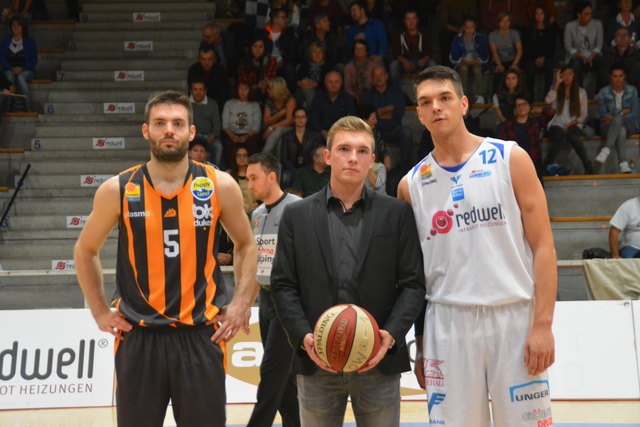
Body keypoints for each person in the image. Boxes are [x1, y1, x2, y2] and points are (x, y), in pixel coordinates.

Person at [73, 91, 258, 427]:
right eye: (160, 123)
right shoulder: (118, 189)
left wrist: (242, 302)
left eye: (177, 123)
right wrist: (99, 311)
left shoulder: (220, 185)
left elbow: (246, 244)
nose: (169, 130)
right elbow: (84, 250)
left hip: (200, 336)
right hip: (139, 337)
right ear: (146, 131)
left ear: (191, 131)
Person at [398, 65, 556, 427]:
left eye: (445, 98)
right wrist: (420, 341)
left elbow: (544, 246)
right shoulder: (410, 185)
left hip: (514, 317)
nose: (436, 107)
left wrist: (543, 325)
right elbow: (413, 274)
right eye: (426, 102)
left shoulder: (510, 158)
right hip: (446, 323)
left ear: (464, 104)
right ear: (419, 114)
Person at [271, 116, 425, 426]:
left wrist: (390, 335)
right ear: (328, 156)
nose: (353, 158)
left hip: (379, 361)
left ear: (372, 160)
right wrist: (304, 337)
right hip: (316, 362)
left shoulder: (397, 213)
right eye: (344, 149)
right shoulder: (296, 215)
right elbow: (283, 285)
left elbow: (413, 284)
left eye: (362, 151)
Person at [245, 152, 301, 427]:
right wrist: (246, 304)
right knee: (284, 378)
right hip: (265, 301)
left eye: (254, 178)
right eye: (247, 179)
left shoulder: (298, 208)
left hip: (288, 301)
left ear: (271, 177)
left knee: (270, 372)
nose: (249, 185)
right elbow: (257, 262)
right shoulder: (256, 214)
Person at [361, 65, 413, 173]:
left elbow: (398, 113)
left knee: (406, 132)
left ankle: (403, 169)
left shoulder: (396, 92)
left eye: (381, 75)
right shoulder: (367, 95)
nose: (378, 78)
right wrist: (387, 109)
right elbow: (367, 116)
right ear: (372, 78)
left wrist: (378, 113)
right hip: (375, 131)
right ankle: (373, 171)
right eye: (375, 76)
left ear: (386, 76)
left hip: (393, 130)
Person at [543, 65, 593, 175]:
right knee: (560, 136)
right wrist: (556, 83)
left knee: (572, 135)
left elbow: (583, 114)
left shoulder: (581, 92)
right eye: (564, 74)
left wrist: (569, 125)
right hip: (556, 124)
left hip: (574, 124)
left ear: (574, 76)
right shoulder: (556, 89)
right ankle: (546, 166)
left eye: (570, 74)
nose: (567, 77)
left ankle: (587, 165)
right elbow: (547, 101)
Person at [498, 93, 554, 181]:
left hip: (533, 163)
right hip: (514, 165)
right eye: (518, 105)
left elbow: (551, 112)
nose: (521, 108)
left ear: (530, 106)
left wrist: (535, 111)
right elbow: (501, 147)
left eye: (524, 104)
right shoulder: (507, 125)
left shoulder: (535, 123)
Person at [594, 64, 638, 174]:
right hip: (608, 127)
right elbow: (603, 115)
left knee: (619, 121)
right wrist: (622, 112)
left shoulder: (632, 90)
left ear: (624, 76)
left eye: (620, 76)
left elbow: (634, 113)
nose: (618, 79)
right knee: (621, 130)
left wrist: (617, 115)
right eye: (615, 76)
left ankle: (606, 149)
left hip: (629, 124)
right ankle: (623, 163)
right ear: (610, 77)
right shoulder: (603, 92)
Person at [221, 80, 262, 168]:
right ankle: (231, 170)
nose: (243, 91)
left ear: (250, 90)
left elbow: (256, 126)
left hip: (250, 134)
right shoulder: (229, 104)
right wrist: (233, 136)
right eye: (240, 88)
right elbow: (225, 124)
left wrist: (246, 136)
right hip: (232, 133)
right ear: (236, 90)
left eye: (246, 89)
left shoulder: (254, 105)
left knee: (253, 144)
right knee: (228, 145)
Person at [281, 107, 324, 189]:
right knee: (286, 177)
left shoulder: (314, 136)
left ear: (306, 119)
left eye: (303, 117)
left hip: (309, 167)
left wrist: (305, 170)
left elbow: (315, 156)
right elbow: (284, 158)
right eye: (297, 117)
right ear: (293, 119)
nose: (300, 119)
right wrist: (296, 171)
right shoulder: (287, 136)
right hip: (291, 168)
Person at [449, 17, 489, 105]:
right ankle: (462, 96)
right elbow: (453, 56)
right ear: (464, 27)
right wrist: (461, 59)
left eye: (472, 27)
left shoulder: (479, 38)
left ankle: (480, 95)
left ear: (475, 27)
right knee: (463, 69)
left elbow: (485, 56)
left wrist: (477, 60)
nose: (470, 30)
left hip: (476, 61)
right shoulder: (458, 38)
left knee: (477, 70)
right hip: (463, 62)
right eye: (467, 27)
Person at [389, 9, 435, 86]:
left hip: (421, 62)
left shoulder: (424, 32)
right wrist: (404, 62)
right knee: (393, 65)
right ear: (404, 21)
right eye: (408, 19)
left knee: (432, 64)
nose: (411, 22)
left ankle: (432, 89)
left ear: (417, 20)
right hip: (405, 63)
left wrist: (424, 60)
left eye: (413, 18)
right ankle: (396, 89)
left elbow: (430, 52)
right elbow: (396, 52)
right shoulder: (399, 34)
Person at [0, 16, 36, 112]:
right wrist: (11, 68)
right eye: (13, 25)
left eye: (18, 25)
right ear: (10, 27)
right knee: (9, 77)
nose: (15, 27)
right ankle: (7, 107)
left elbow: (34, 60)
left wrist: (22, 69)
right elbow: (1, 59)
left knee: (21, 77)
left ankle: (28, 107)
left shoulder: (29, 42)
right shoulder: (6, 42)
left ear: (23, 27)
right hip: (10, 70)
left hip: (26, 70)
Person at [564, 1, 603, 88]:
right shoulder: (570, 26)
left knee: (601, 60)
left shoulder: (597, 24)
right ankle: (579, 90)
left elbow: (599, 45)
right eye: (586, 14)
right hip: (577, 55)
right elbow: (568, 46)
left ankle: (599, 90)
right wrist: (582, 57)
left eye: (591, 14)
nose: (589, 16)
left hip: (593, 55)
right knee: (576, 62)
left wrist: (590, 57)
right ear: (579, 15)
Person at [258, 8, 298, 91]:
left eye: (286, 17)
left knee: (289, 68)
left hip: (283, 65)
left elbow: (293, 54)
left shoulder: (289, 35)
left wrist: (283, 61)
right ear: (275, 19)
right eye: (283, 18)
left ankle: (290, 94)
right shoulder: (263, 34)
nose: (286, 20)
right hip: (267, 63)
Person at [524, 6, 559, 101]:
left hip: (547, 58)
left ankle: (546, 96)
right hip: (532, 58)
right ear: (534, 15)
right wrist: (536, 58)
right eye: (537, 14)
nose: (539, 16)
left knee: (549, 67)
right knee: (530, 71)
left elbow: (552, 48)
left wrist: (544, 57)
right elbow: (527, 49)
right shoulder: (529, 30)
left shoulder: (550, 30)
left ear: (545, 15)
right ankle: (531, 97)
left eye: (541, 13)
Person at [309, 70, 357, 139]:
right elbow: (313, 119)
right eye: (330, 82)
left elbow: (351, 119)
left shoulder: (348, 98)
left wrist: (339, 132)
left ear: (341, 83)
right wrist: (323, 132)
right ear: (325, 83)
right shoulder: (318, 98)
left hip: (343, 134)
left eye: (336, 82)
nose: (333, 85)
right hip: (321, 134)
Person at [435, 0, 478, 67]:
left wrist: (466, 27)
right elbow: (443, 22)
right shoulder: (446, 2)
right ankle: (446, 65)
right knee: (443, 34)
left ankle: (471, 64)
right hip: (451, 29)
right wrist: (456, 30)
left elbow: (473, 17)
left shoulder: (470, 2)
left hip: (466, 27)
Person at [488, 13, 523, 95]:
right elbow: (494, 51)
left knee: (514, 73)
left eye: (507, 21)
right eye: (502, 21)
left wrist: (514, 64)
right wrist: (499, 64)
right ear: (498, 23)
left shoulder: (514, 33)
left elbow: (520, 50)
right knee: (499, 74)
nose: (505, 23)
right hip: (499, 60)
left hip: (512, 60)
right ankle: (495, 97)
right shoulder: (492, 35)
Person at [190, 80, 222, 167]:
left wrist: (213, 135)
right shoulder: (186, 103)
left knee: (218, 147)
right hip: (191, 135)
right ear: (191, 91)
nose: (198, 92)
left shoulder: (212, 104)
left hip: (208, 136)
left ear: (205, 91)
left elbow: (217, 122)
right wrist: (190, 133)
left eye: (201, 89)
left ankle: (214, 170)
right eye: (195, 89)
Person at [187, 46, 229, 112]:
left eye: (209, 59)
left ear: (214, 59)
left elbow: (223, 94)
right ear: (199, 59)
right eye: (203, 59)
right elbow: (192, 92)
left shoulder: (221, 71)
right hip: (197, 106)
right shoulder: (193, 70)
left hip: (217, 107)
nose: (206, 63)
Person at [238, 36, 279, 104]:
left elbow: (271, 78)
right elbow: (243, 83)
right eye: (255, 46)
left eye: (260, 47)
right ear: (251, 47)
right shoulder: (243, 62)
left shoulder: (271, 60)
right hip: (250, 91)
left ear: (265, 48)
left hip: (267, 89)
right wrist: (257, 86)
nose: (257, 49)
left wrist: (265, 83)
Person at [262, 76, 296, 157]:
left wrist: (272, 127)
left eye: (270, 89)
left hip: (288, 129)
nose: (267, 90)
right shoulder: (269, 101)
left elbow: (289, 121)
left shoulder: (290, 100)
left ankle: (264, 155)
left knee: (279, 130)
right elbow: (266, 121)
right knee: (279, 140)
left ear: (277, 90)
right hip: (273, 133)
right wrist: (280, 113)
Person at [294, 41, 333, 108]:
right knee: (305, 83)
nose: (317, 55)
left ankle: (313, 109)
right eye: (314, 52)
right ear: (310, 54)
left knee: (305, 105)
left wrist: (315, 85)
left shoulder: (327, 67)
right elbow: (297, 80)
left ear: (323, 54)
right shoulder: (305, 65)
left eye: (320, 52)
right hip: (303, 92)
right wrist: (299, 83)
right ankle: (315, 109)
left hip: (320, 92)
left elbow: (328, 84)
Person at [228, 146, 258, 212]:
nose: (242, 158)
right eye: (239, 155)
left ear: (248, 158)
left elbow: (261, 196)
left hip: (253, 212)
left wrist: (257, 205)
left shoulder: (255, 175)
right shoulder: (227, 175)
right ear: (234, 158)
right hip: (233, 212)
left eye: (244, 155)